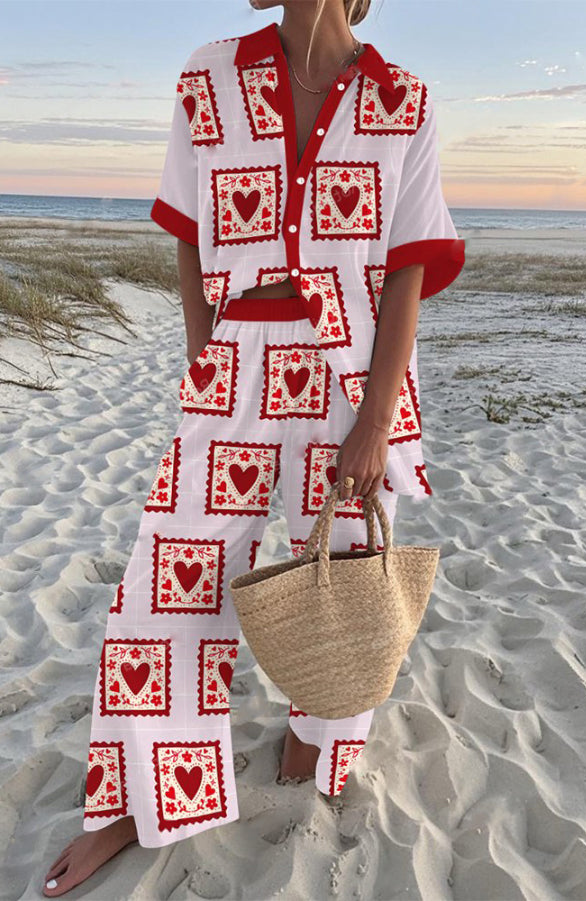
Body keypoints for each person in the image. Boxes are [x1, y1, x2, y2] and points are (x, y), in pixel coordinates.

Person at [43, 0, 464, 894]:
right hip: (236, 355)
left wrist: (375, 416)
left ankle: (317, 737)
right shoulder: (211, 74)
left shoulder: (403, 97)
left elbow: (406, 268)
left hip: (353, 371)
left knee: (347, 570)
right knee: (172, 568)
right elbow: (190, 238)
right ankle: (140, 797)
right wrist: (207, 360)